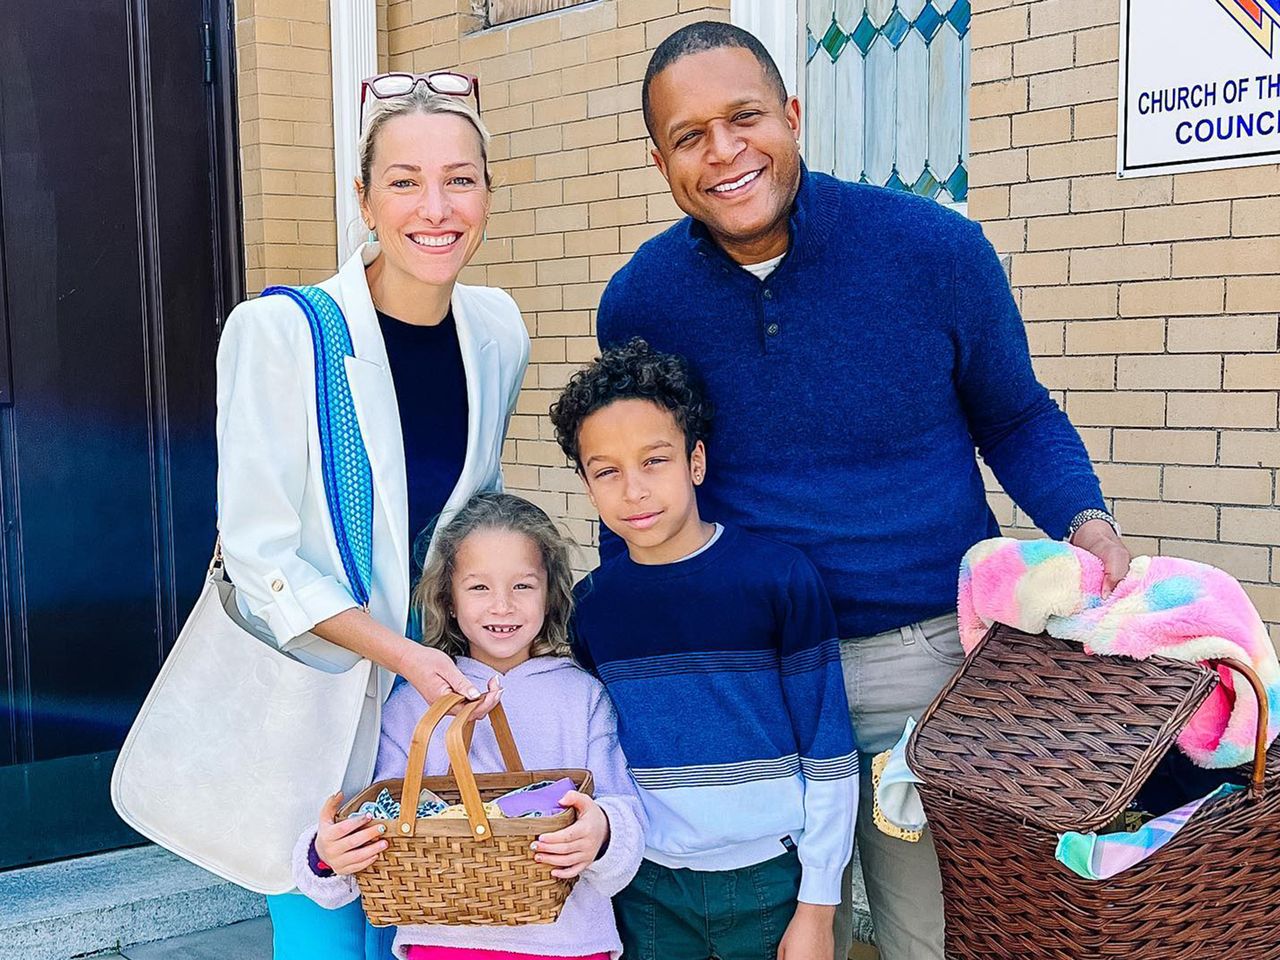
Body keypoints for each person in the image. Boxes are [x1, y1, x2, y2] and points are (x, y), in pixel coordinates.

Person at [592, 21, 1133, 960]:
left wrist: (1086, 523)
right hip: (745, 680)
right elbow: (640, 485)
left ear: (793, 116)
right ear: (660, 159)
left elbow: (1015, 415)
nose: (723, 152)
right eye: (689, 136)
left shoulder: (934, 251)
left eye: (745, 117)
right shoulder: (642, 301)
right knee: (779, 942)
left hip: (919, 669)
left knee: (931, 936)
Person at [216, 77, 529, 959]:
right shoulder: (279, 333)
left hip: (425, 731)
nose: (436, 208)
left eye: (461, 180)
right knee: (321, 940)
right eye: (404, 181)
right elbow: (260, 556)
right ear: (362, 198)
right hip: (311, 709)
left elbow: (469, 519)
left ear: (489, 193)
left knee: (426, 940)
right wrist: (403, 655)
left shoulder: (497, 328)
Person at [551, 340, 858, 960]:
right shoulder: (590, 607)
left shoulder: (778, 579)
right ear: (586, 485)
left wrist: (819, 907)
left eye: (654, 461)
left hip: (772, 877)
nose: (633, 490)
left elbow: (830, 752)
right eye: (606, 470)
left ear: (695, 462)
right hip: (645, 884)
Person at [292, 492, 645, 960]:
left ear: (551, 593)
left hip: (568, 943)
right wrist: (325, 855)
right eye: (479, 587)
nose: (502, 606)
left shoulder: (582, 696)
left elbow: (627, 815)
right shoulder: (412, 702)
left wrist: (600, 831)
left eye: (523, 586)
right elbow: (369, 818)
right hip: (444, 943)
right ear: (449, 600)